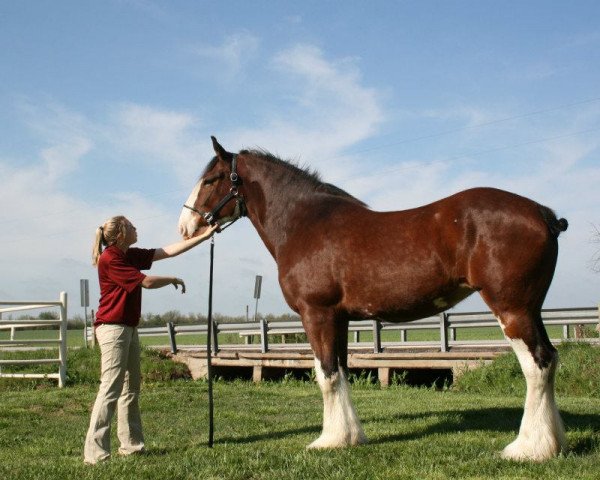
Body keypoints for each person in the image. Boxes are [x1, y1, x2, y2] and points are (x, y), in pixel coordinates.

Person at [84, 215, 218, 464]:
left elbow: (167, 251)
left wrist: (204, 236)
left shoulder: (129, 254)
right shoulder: (111, 258)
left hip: (128, 328)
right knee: (110, 389)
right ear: (121, 233)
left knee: (130, 389)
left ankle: (132, 446)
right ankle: (95, 453)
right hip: (112, 329)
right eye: (132, 226)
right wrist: (173, 280)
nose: (137, 228)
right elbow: (145, 282)